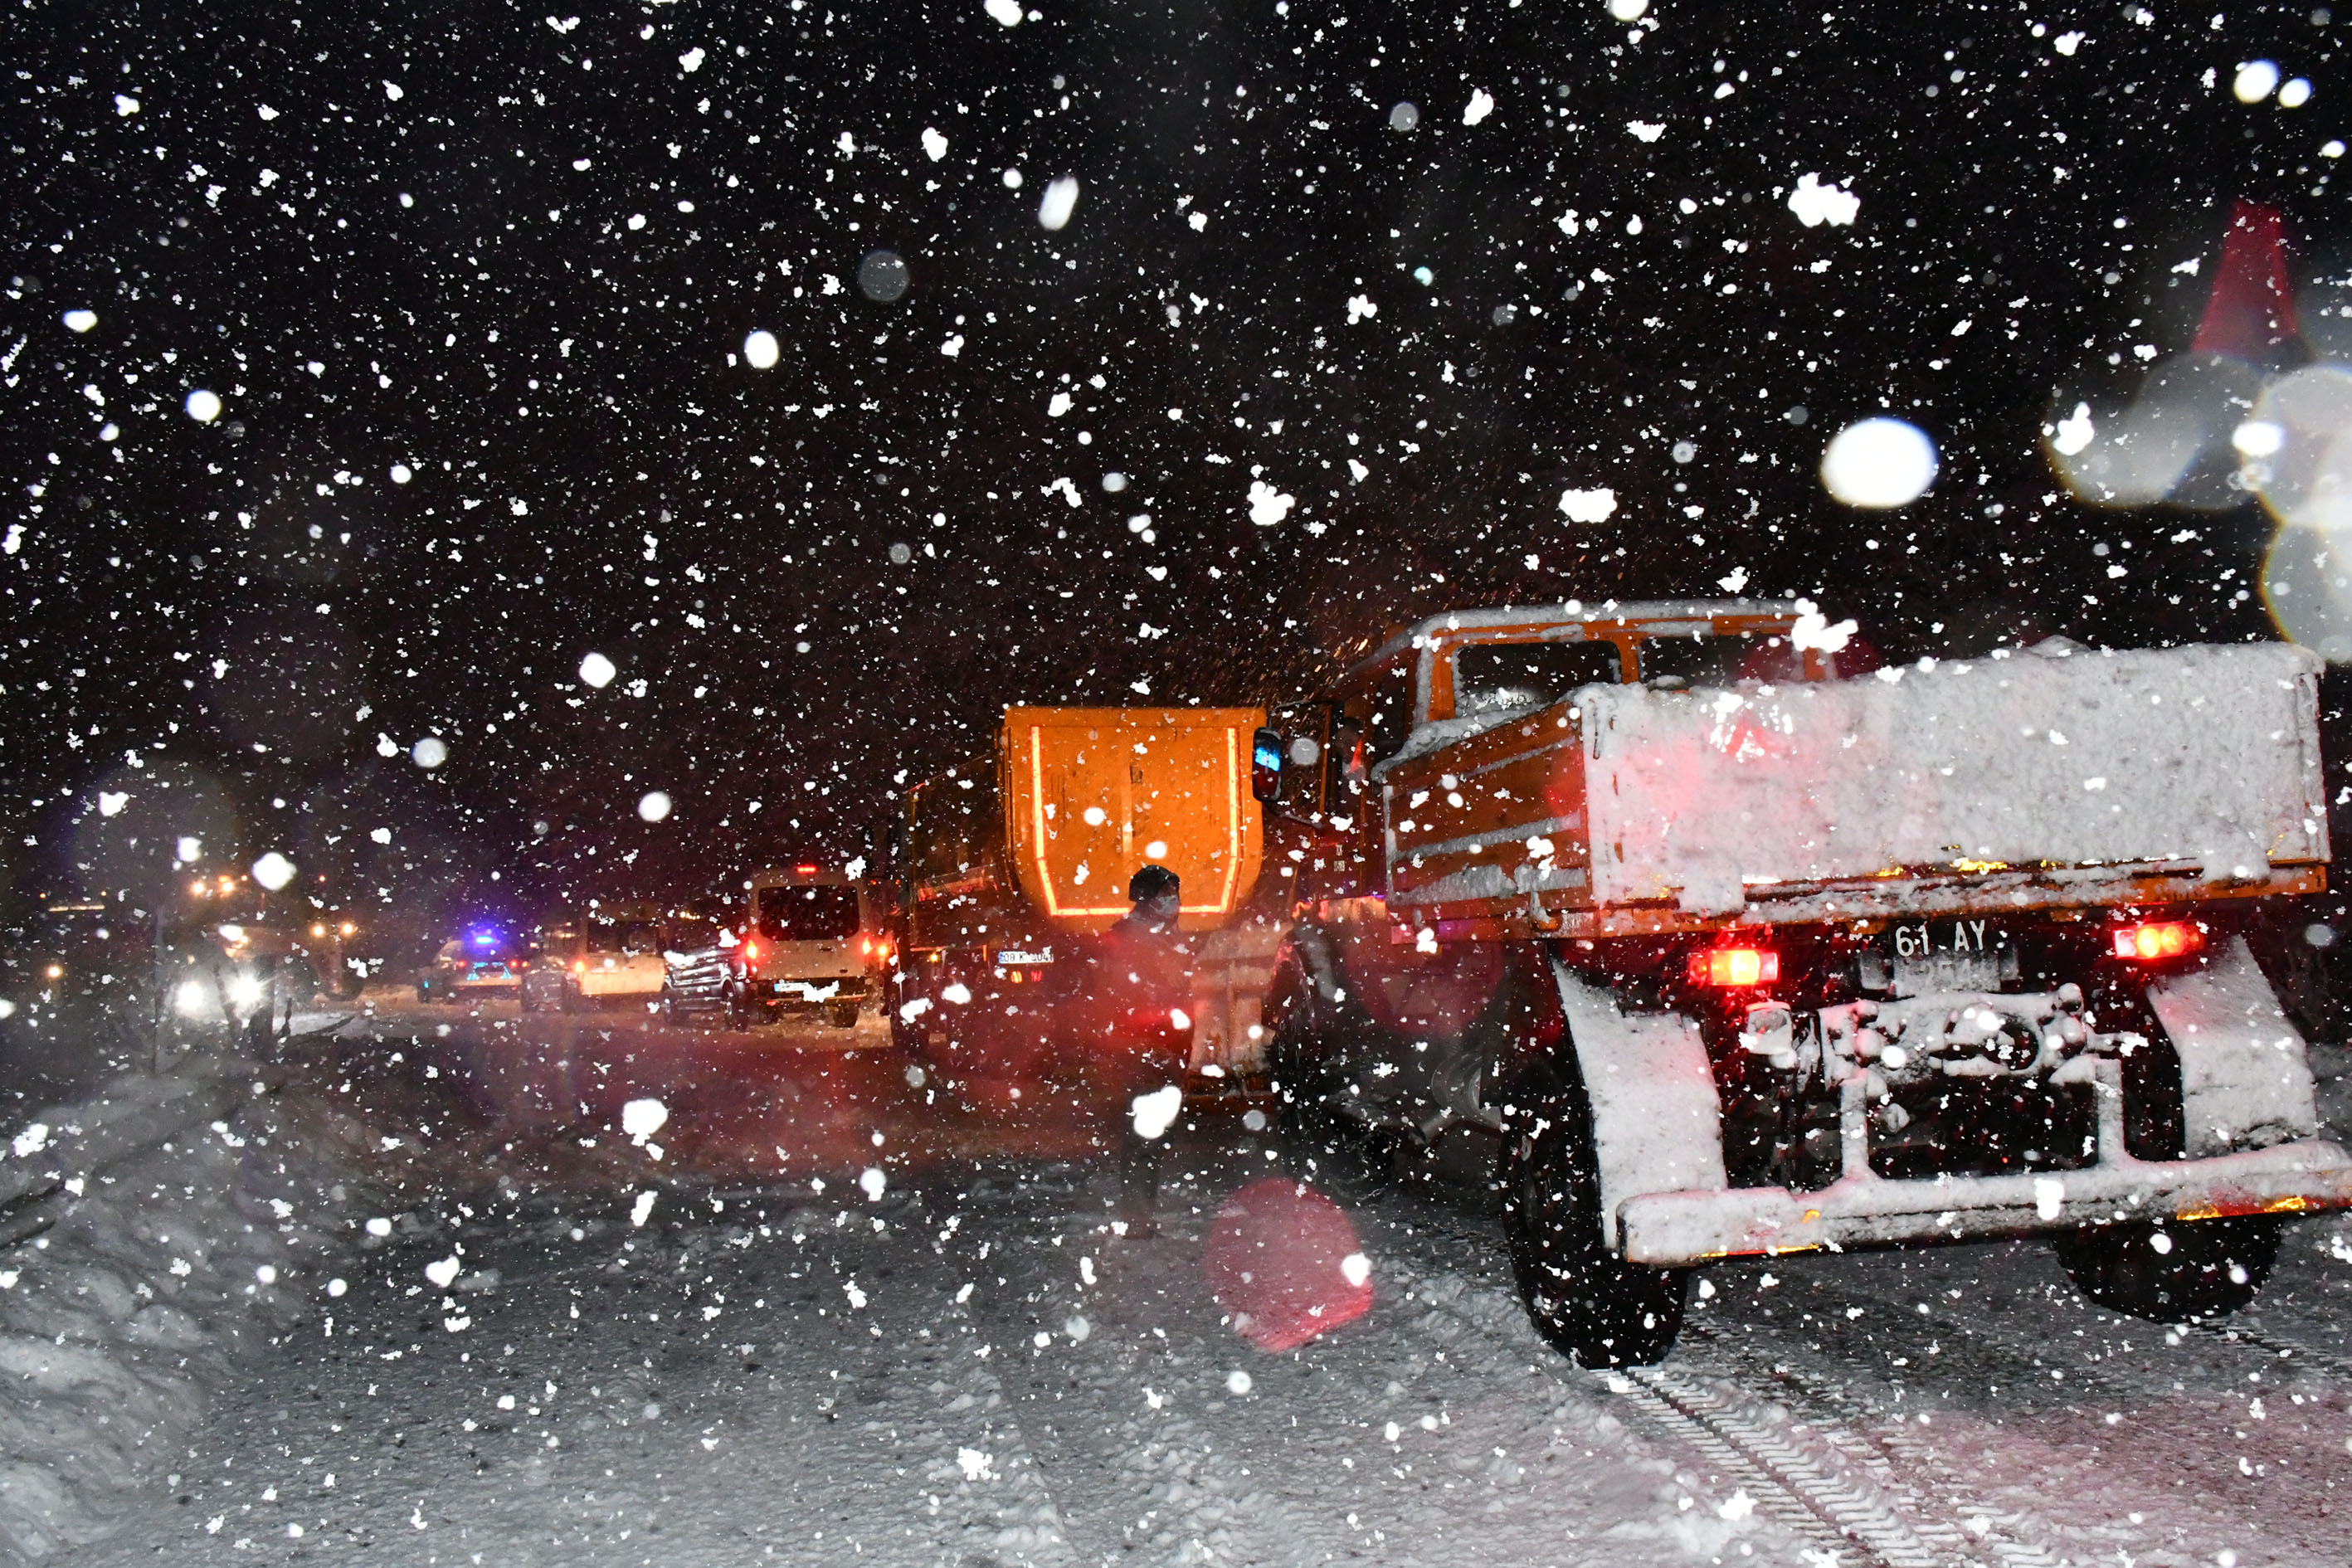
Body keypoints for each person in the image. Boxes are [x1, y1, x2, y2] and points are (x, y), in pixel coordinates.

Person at [1077, 864, 1193, 1237]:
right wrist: (1140, 1044)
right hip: (1141, 1051)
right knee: (1142, 1136)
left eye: (1174, 892)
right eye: (1164, 894)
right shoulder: (1126, 940)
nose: (1173, 901)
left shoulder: (1167, 939)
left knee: (1154, 1138)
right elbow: (1117, 999)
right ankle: (1137, 1220)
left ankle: (1142, 1216)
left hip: (1165, 1049)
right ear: (1145, 900)